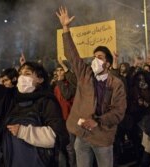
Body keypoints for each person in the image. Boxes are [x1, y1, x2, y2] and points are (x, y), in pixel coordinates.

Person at [0, 42, 69, 167]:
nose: (22, 77)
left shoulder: (46, 101)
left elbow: (58, 136)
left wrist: (24, 132)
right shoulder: (9, 97)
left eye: (27, 74)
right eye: (20, 73)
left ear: (40, 79)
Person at [56, 7, 127, 167]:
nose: (95, 60)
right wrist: (66, 29)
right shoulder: (85, 75)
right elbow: (72, 55)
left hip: (103, 138)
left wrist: (97, 121)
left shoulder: (116, 84)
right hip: (82, 137)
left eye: (100, 57)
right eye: (94, 57)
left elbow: (118, 112)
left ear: (108, 63)